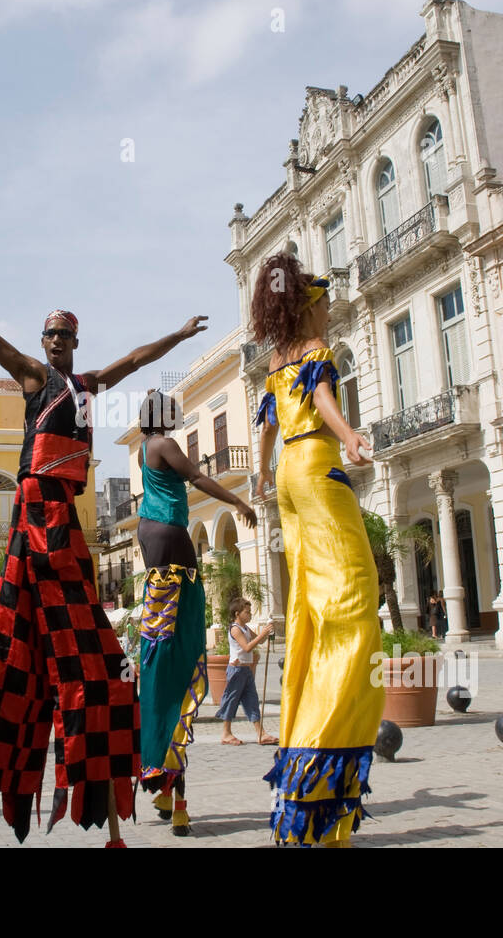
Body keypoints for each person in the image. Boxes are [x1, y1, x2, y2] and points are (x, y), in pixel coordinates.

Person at [0, 267, 207, 846]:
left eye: (64, 336)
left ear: (75, 342)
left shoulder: (88, 386)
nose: (55, 343)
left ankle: (109, 815)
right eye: (49, 335)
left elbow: (138, 358)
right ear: (43, 341)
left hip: (65, 518)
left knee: (92, 656)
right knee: (10, 655)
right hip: (32, 514)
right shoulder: (33, 378)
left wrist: (181, 335)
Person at [252, 252, 382, 847]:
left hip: (285, 475)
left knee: (309, 603)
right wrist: (350, 433)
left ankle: (308, 763)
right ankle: (324, 751)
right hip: (317, 465)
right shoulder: (313, 353)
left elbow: (266, 431)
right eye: (326, 305)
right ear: (310, 307)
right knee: (353, 602)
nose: (331, 313)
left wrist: (257, 479)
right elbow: (325, 401)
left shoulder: (277, 361)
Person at [135, 391, 256, 835]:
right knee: (182, 669)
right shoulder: (165, 444)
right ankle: (177, 797)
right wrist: (238, 502)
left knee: (161, 667)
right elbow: (198, 478)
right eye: (173, 412)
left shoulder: (146, 451)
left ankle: (165, 785)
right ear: (163, 418)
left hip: (153, 549)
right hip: (171, 542)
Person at [217, 597, 277, 747]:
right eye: (247, 612)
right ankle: (226, 733)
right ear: (237, 613)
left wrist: (267, 631)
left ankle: (261, 733)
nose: (250, 615)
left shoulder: (245, 627)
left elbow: (259, 641)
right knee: (232, 700)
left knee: (251, 700)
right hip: (236, 669)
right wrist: (262, 634)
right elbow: (247, 647)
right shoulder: (235, 628)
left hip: (246, 669)